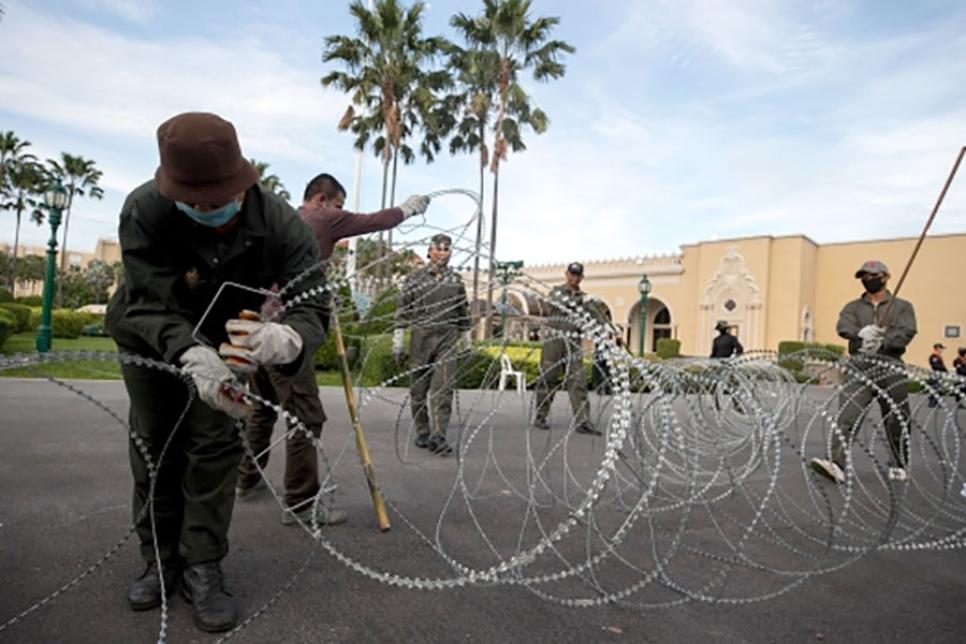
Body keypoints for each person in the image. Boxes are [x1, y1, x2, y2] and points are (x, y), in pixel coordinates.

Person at [105, 112, 327, 632]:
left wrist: (285, 338)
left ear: (240, 180)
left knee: (214, 445)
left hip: (233, 341)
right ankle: (159, 560)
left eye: (215, 199)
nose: (205, 209)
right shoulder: (145, 209)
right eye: (192, 201)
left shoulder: (281, 225)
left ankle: (202, 564)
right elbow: (146, 297)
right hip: (150, 335)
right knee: (156, 444)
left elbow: (313, 305)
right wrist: (186, 352)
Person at [235, 172, 429, 526]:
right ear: (322, 200)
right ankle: (300, 503)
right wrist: (409, 209)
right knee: (306, 417)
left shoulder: (283, 220)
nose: (341, 211)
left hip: (257, 327)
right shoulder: (321, 217)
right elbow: (374, 221)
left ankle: (245, 478)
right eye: (338, 204)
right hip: (287, 333)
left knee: (263, 409)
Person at [810, 260, 916, 485]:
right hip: (860, 366)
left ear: (886, 277)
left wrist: (884, 341)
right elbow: (843, 326)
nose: (868, 280)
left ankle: (898, 462)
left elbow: (908, 330)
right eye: (864, 276)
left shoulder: (902, 306)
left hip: (890, 365)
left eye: (873, 275)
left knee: (897, 417)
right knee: (847, 415)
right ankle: (836, 464)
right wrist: (861, 335)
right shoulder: (853, 307)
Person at [393, 233, 471, 455]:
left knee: (443, 388)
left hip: (447, 337)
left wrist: (466, 341)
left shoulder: (455, 280)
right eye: (439, 249)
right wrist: (398, 339)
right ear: (429, 251)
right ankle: (423, 431)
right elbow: (402, 310)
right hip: (421, 338)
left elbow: (462, 312)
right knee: (418, 390)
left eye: (447, 249)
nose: (443, 253)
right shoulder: (415, 279)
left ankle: (439, 435)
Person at [533, 262, 604, 435]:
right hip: (554, 340)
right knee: (548, 378)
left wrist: (606, 326)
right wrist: (581, 303)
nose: (574, 277)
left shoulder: (586, 299)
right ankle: (540, 416)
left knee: (578, 380)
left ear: (582, 277)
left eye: (578, 275)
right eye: (572, 274)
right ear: (566, 274)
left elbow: (596, 318)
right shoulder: (557, 292)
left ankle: (583, 421)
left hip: (573, 341)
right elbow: (556, 304)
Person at [927, 343, 948, 408]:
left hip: (939, 374)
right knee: (935, 388)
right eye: (941, 348)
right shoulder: (934, 356)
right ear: (937, 348)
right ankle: (931, 402)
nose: (942, 350)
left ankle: (936, 401)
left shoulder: (938, 356)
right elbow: (936, 366)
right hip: (936, 374)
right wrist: (944, 369)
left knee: (938, 388)